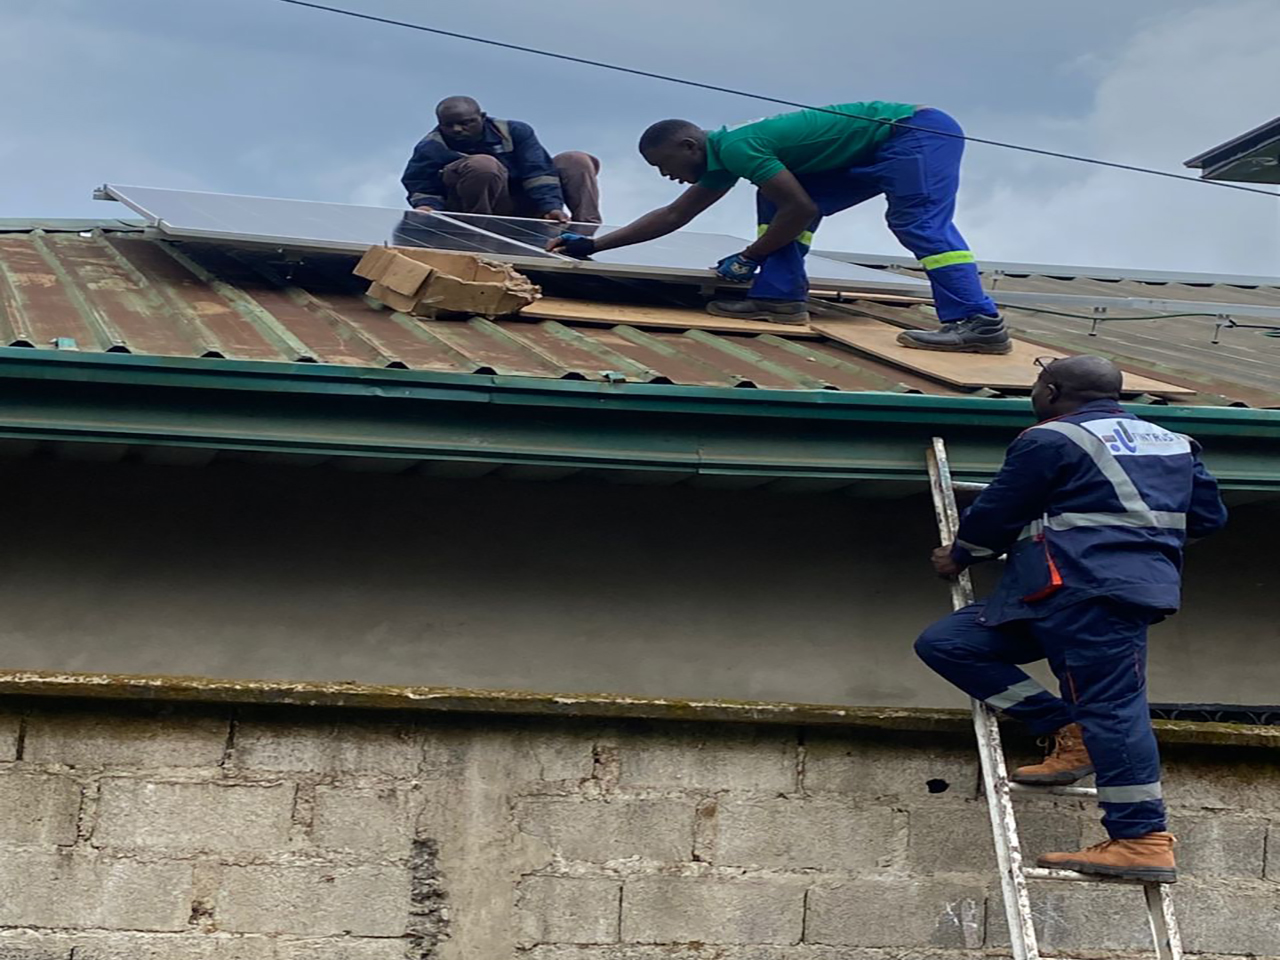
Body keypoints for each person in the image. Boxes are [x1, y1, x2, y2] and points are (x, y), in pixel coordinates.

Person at [913, 356, 1228, 883]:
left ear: (1053, 390)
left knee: (1113, 708)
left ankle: (1141, 840)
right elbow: (1208, 518)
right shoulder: (1173, 443)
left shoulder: (1049, 439)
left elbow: (996, 514)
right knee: (948, 642)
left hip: (1086, 592)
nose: (1034, 394)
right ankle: (1065, 726)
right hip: (1053, 592)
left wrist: (960, 554)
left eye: (1037, 385)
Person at [549, 101, 1003, 349]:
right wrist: (592, 247)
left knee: (916, 222)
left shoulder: (740, 147)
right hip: (873, 149)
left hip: (914, 132)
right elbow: (673, 215)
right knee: (774, 196)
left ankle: (979, 322)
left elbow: (801, 210)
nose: (664, 175)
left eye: (662, 164)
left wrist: (750, 256)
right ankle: (780, 299)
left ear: (689, 146)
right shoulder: (724, 156)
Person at [402, 96, 602, 223]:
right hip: (474, 210)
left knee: (576, 160)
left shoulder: (515, 132)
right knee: (483, 164)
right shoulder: (431, 146)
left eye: (465, 123)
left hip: (526, 203)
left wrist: (551, 207)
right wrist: (427, 207)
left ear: (481, 117)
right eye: (449, 125)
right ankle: (477, 228)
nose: (457, 130)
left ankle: (585, 231)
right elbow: (420, 184)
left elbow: (538, 171)